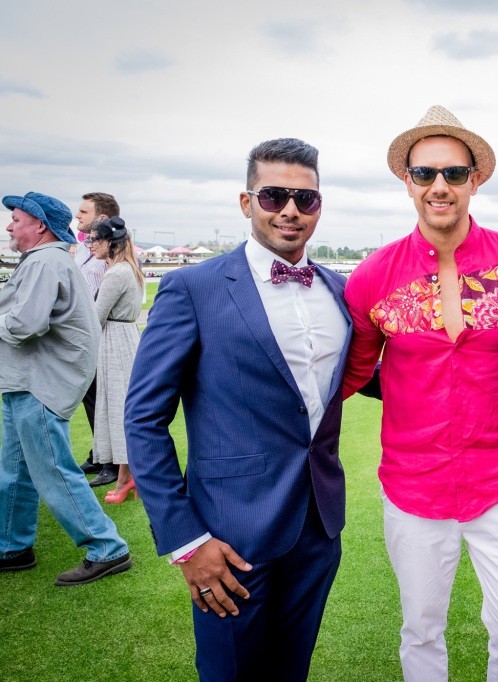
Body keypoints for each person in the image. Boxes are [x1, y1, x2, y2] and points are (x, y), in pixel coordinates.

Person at [125, 138, 351, 680]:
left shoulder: (341, 290)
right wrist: (186, 540)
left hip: (318, 528)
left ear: (319, 207)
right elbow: (143, 419)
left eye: (305, 198)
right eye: (274, 196)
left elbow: (379, 378)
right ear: (247, 202)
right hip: (228, 535)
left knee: (291, 669)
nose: (290, 210)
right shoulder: (191, 288)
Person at [342, 106, 498, 681]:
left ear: (474, 180)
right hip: (413, 484)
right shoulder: (373, 276)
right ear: (406, 182)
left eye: (454, 173)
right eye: (424, 173)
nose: (439, 186)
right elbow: (354, 372)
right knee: (422, 629)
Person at [0, 191, 132, 585]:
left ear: (39, 226)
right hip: (27, 381)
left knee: (53, 471)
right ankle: (12, 546)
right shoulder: (46, 260)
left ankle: (108, 548)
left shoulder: (46, 261)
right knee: (15, 471)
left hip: (39, 384)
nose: (9, 226)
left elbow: (24, 325)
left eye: (16, 219)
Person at [88, 216, 145, 504]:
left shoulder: (116, 274)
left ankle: (126, 478)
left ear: (109, 243)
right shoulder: (129, 269)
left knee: (118, 410)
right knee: (122, 409)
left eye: (94, 240)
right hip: (125, 338)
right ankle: (126, 476)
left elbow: (95, 317)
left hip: (115, 343)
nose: (90, 245)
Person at [75, 192, 122, 487]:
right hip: (83, 333)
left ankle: (113, 462)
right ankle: (98, 454)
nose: (77, 216)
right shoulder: (84, 248)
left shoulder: (111, 252)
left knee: (105, 399)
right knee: (90, 397)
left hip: (101, 333)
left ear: (102, 218)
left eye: (83, 212)